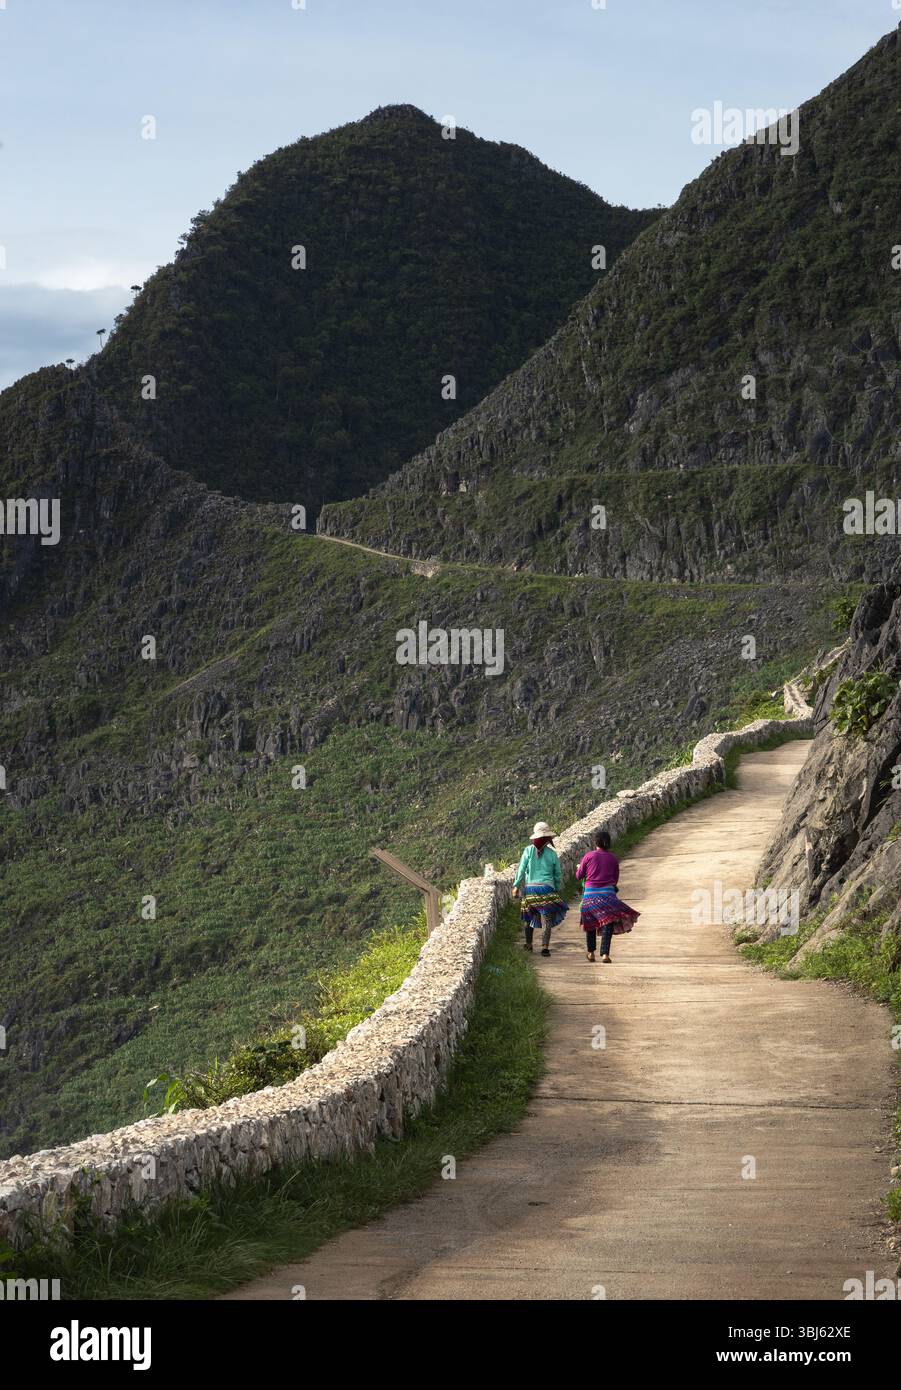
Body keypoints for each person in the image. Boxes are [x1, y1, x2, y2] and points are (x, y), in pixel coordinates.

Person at [576, 829, 639, 962]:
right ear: (608, 843)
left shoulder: (588, 856)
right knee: (608, 922)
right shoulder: (613, 858)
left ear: (595, 843)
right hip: (608, 895)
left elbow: (578, 876)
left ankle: (591, 953)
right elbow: (615, 880)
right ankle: (605, 954)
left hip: (589, 896)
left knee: (590, 924)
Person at [512, 820, 567, 956]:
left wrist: (516, 886)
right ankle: (545, 947)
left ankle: (529, 944)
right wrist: (557, 888)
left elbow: (521, 869)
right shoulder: (552, 854)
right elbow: (557, 874)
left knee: (528, 917)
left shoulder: (528, 851)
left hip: (530, 890)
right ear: (547, 838)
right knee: (546, 919)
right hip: (547, 889)